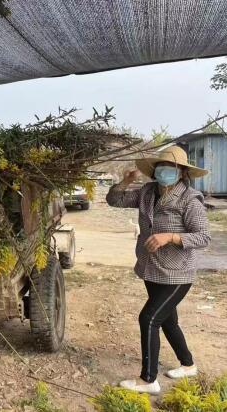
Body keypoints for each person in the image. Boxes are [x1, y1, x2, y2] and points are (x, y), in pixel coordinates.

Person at [106, 145, 211, 395]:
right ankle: (188, 364)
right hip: (151, 268)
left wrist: (171, 237)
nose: (165, 171)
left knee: (149, 318)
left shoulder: (189, 200)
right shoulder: (147, 192)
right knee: (168, 320)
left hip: (178, 273)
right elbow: (114, 200)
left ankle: (148, 379)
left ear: (182, 172)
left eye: (171, 167)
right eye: (161, 166)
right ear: (155, 171)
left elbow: (204, 237)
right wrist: (125, 181)